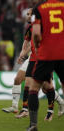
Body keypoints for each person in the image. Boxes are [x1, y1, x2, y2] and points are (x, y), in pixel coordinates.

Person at [27, 0, 64, 130]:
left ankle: (33, 125)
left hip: (46, 54)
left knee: (34, 88)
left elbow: (36, 33)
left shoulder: (40, 8)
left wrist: (37, 46)